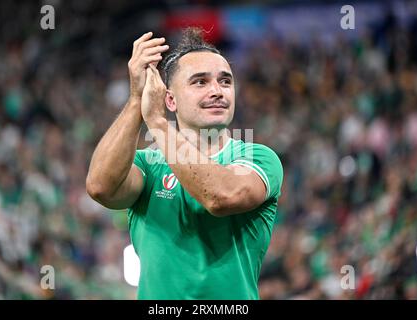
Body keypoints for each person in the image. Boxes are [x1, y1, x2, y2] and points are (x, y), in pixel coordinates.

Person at [86, 27, 283, 299]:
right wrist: (135, 100)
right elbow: (100, 188)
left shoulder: (258, 157)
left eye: (225, 82)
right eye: (200, 82)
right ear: (170, 99)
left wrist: (156, 122)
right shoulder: (148, 164)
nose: (217, 91)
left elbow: (221, 197)